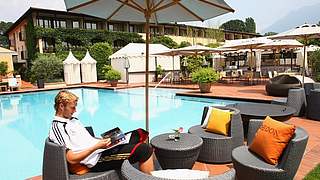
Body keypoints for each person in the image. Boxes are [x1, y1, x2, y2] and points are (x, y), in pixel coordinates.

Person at [49, 90, 154, 175]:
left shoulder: (73, 119)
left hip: (100, 148)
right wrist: (97, 146)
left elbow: (83, 141)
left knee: (139, 133)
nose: (75, 110)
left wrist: (104, 141)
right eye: (72, 107)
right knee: (144, 150)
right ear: (61, 106)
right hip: (95, 160)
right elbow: (70, 159)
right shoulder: (58, 127)